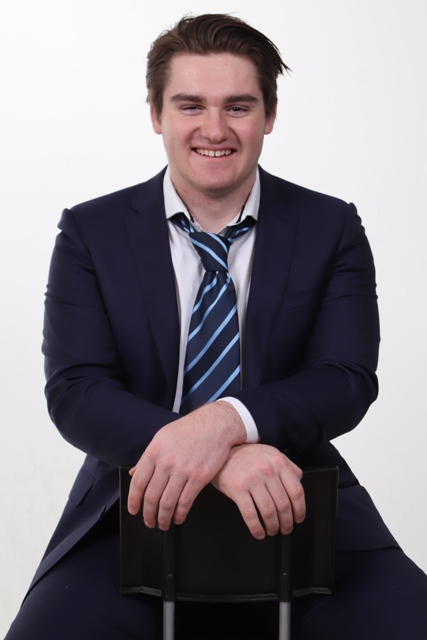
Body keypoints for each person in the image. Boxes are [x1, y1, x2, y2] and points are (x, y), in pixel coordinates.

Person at [5, 13, 427, 640]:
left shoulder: (330, 226)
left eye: (238, 106)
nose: (214, 129)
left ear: (269, 115)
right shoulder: (90, 232)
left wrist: (226, 423)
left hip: (299, 498)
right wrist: (206, 456)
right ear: (156, 114)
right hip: (130, 506)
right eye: (190, 105)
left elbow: (345, 377)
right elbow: (76, 390)